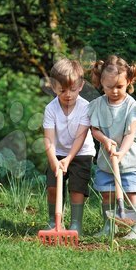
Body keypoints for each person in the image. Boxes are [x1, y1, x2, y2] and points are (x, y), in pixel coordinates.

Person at [88, 55, 136, 239]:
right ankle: (109, 226)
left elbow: (130, 133)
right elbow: (94, 129)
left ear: (129, 81)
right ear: (101, 83)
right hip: (108, 161)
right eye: (109, 87)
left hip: (131, 160)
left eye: (119, 87)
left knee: (131, 193)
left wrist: (121, 152)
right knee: (107, 194)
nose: (114, 91)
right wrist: (105, 141)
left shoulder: (131, 106)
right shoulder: (98, 105)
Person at [43, 58, 96, 235]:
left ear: (80, 86)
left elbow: (81, 137)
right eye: (62, 90)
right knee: (52, 188)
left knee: (77, 188)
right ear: (53, 86)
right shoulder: (51, 109)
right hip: (56, 153)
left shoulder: (85, 107)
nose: (68, 94)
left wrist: (69, 159)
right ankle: (54, 221)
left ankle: (75, 224)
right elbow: (49, 139)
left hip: (81, 153)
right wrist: (54, 161)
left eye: (72, 90)